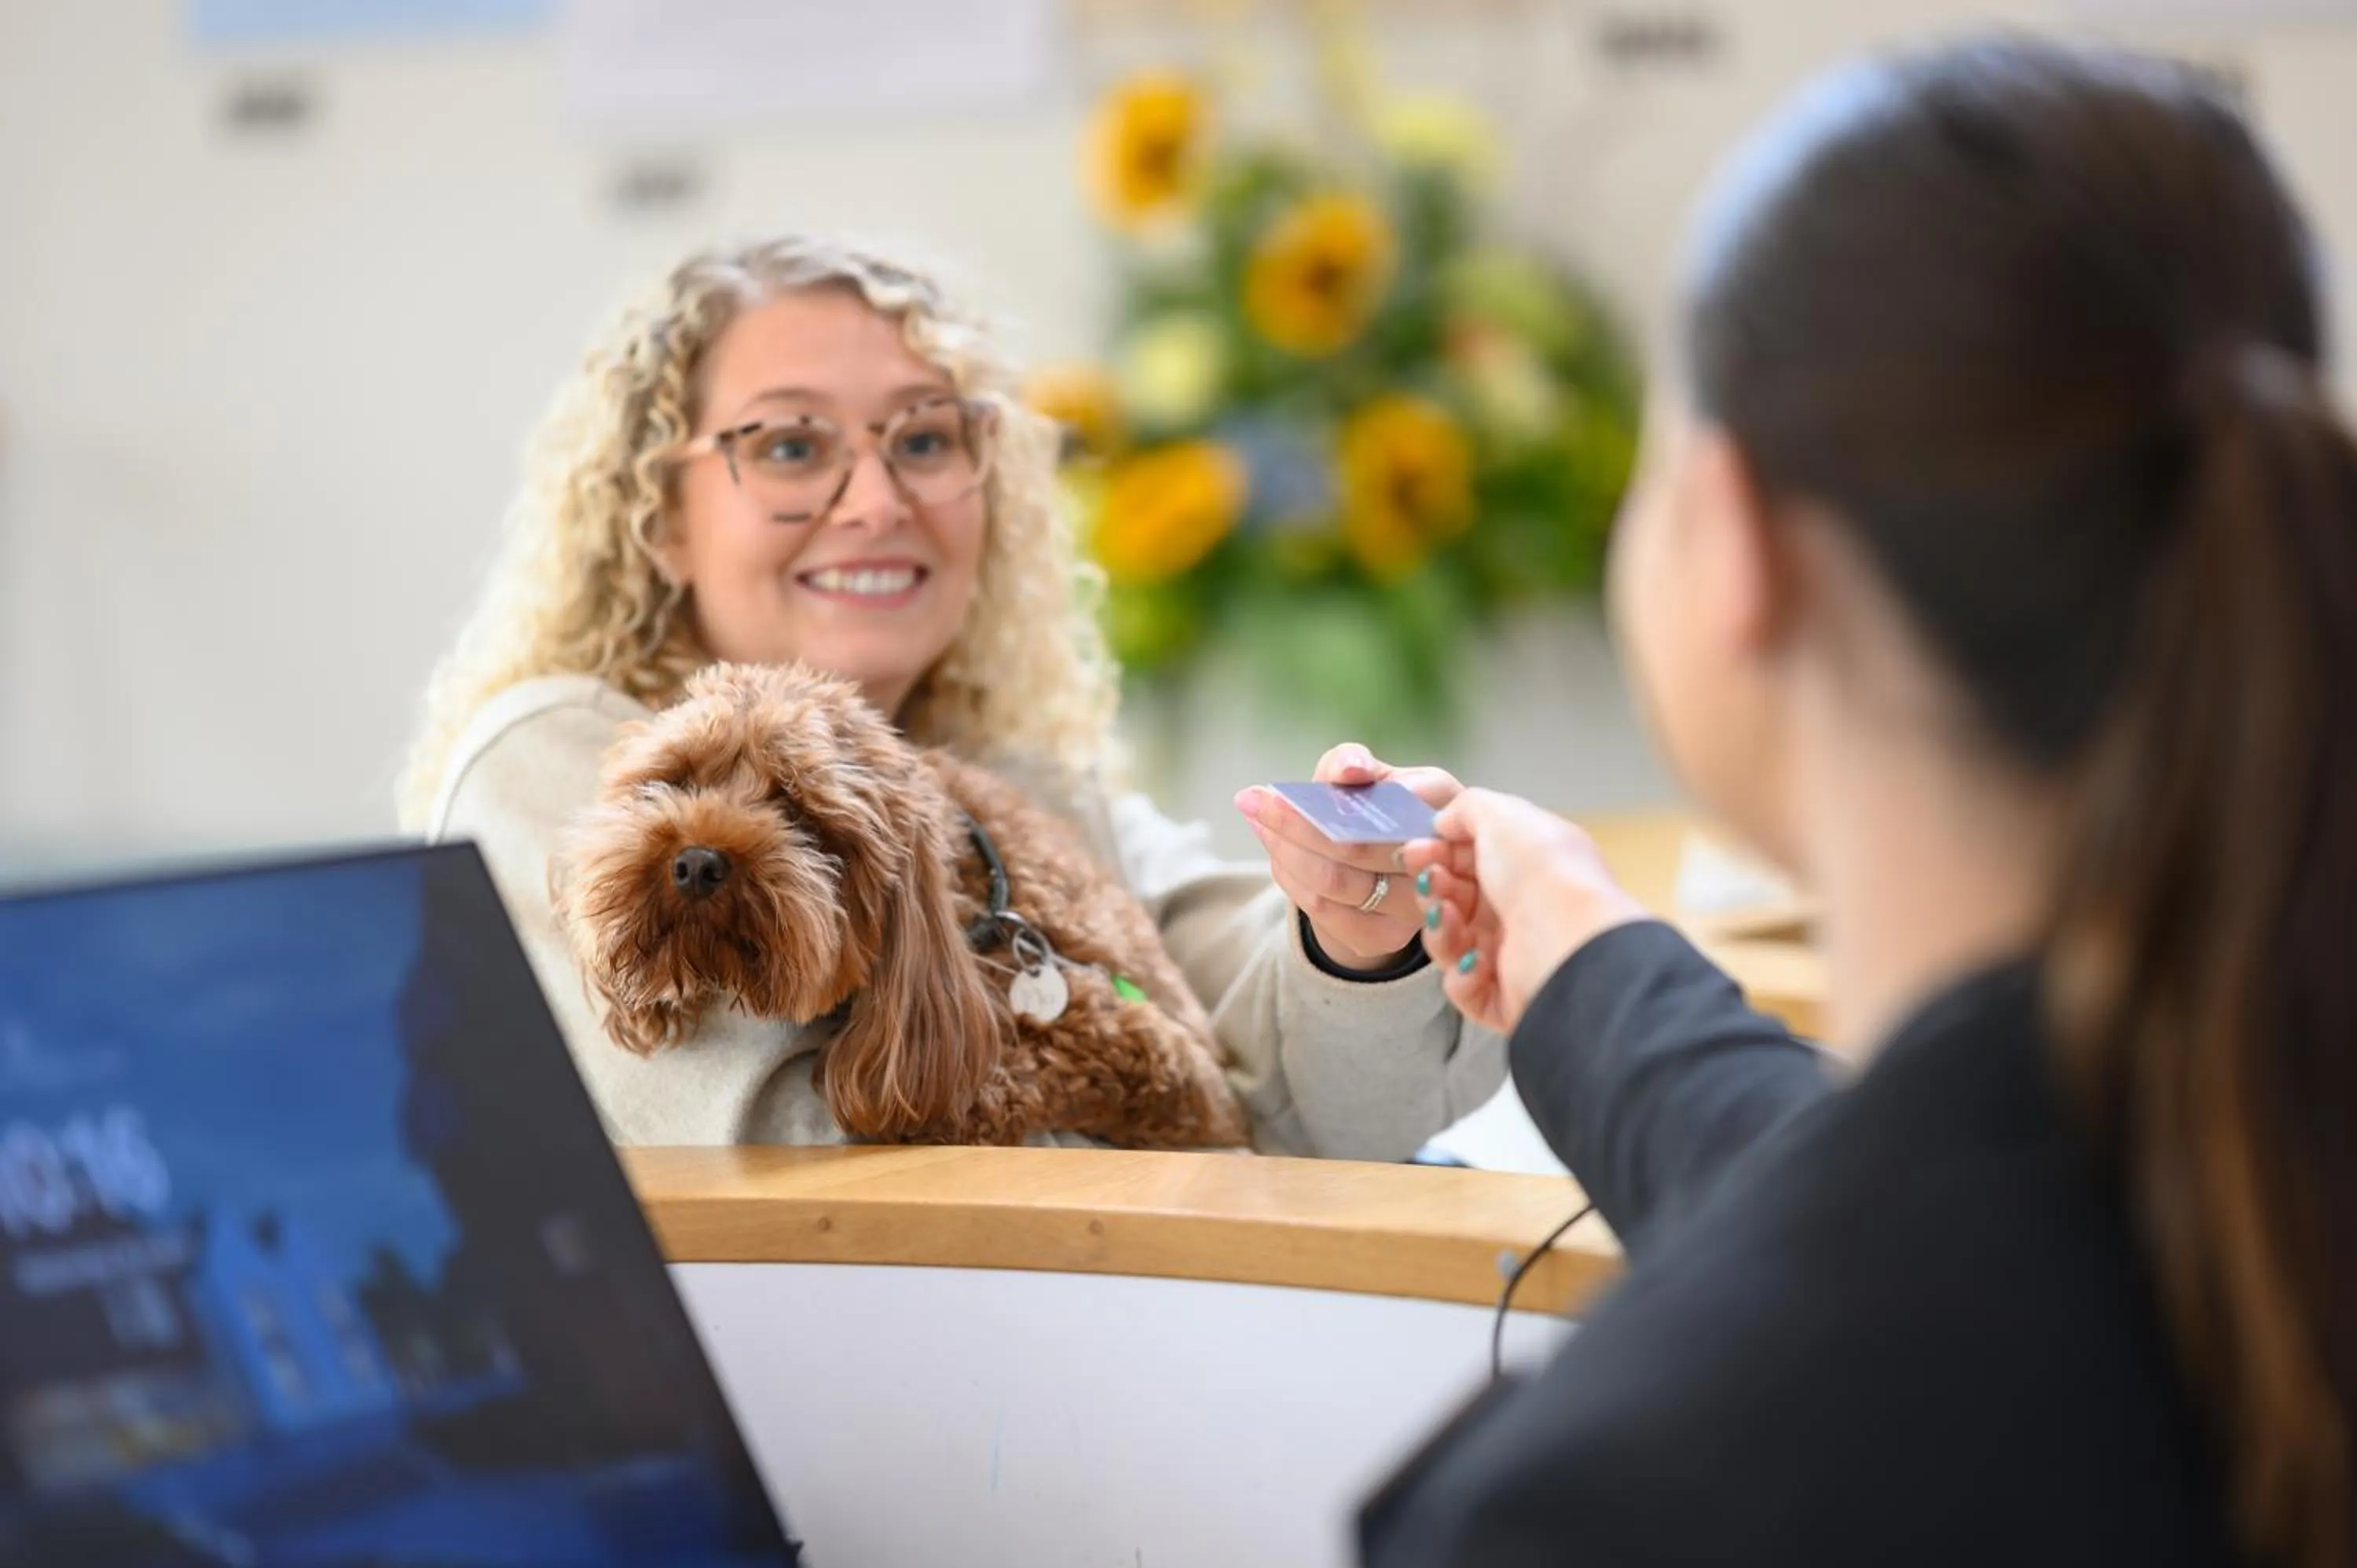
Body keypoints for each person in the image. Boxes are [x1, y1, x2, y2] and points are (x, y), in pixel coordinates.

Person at [1370, 37, 2355, 1568]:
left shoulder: (1621, 1497)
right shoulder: (2222, 1140)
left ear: (1741, 540)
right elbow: (1902, 1161)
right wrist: (1575, 942)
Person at [396, 236, 1502, 1155]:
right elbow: (800, 1157)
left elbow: (1338, 1111)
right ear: (660, 518)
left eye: (926, 439)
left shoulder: (1017, 781)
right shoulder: (549, 762)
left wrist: (1364, 928)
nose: (877, 499)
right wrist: (1219, 1127)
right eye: (789, 445)